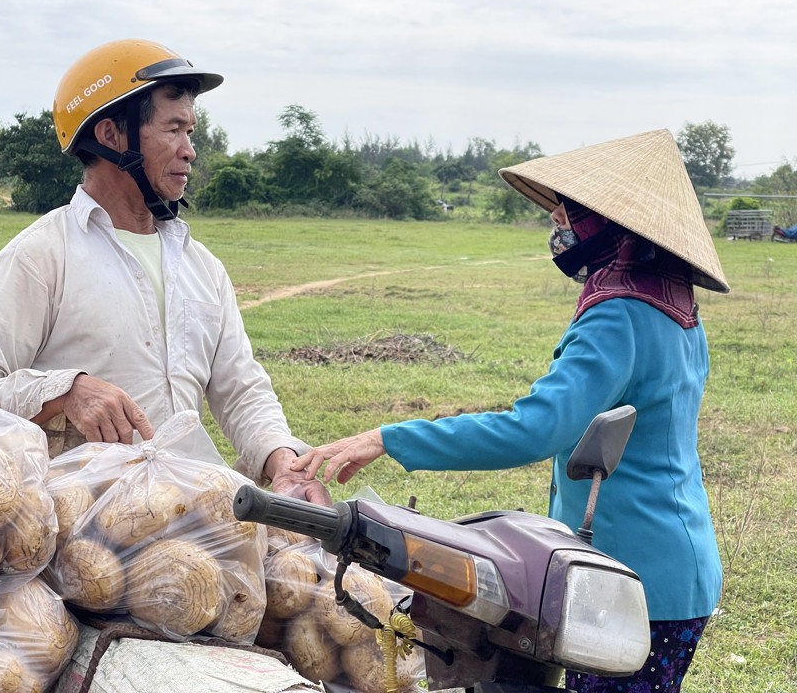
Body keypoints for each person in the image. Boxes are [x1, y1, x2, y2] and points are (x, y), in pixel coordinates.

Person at [293, 129, 728, 692]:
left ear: (611, 228)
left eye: (571, 214)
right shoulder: (675, 306)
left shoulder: (617, 315)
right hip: (679, 568)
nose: (559, 225)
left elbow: (536, 428)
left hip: (632, 583)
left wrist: (389, 438)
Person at [0, 38, 330, 506]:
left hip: (185, 518)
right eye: (173, 129)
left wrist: (281, 460)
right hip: (77, 531)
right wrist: (65, 391)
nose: (190, 151)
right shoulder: (40, 256)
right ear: (113, 136)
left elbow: (240, 388)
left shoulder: (201, 266)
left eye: (190, 132)